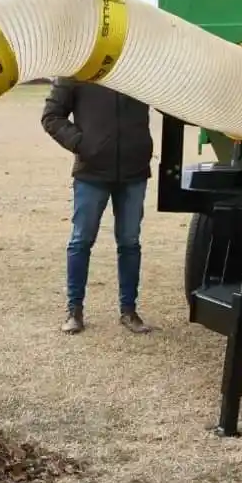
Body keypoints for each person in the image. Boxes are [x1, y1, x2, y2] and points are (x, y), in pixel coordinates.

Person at [40, 76, 154, 335]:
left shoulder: (139, 67)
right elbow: (51, 116)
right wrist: (82, 144)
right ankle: (74, 311)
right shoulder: (78, 68)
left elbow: (171, 99)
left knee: (129, 242)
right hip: (91, 173)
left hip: (134, 172)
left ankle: (129, 311)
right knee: (81, 241)